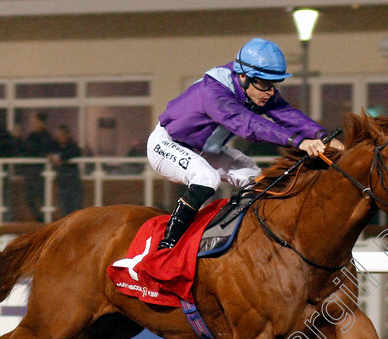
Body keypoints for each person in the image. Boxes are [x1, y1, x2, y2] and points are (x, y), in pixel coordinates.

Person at [147, 37, 344, 250]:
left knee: (257, 180)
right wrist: (299, 141)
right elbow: (249, 125)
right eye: (265, 85)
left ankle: (238, 234)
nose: (270, 92)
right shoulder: (214, 92)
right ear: (243, 77)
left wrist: (324, 137)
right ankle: (169, 242)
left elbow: (287, 114)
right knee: (207, 178)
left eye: (274, 85)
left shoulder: (252, 85)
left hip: (205, 151)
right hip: (166, 144)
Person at [22, 112, 56, 221]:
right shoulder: (31, 137)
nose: (33, 124)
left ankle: (44, 219)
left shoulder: (48, 137)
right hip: (31, 171)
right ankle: (39, 218)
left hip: (41, 172)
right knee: (30, 198)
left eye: (35, 122)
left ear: (42, 122)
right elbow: (27, 151)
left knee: (43, 197)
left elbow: (47, 150)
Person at [48, 125, 83, 217]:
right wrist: (51, 156)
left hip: (73, 183)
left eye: (62, 134)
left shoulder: (73, 147)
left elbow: (76, 152)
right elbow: (47, 151)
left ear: (67, 135)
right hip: (62, 183)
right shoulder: (55, 146)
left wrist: (61, 158)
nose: (60, 137)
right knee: (64, 210)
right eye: (59, 135)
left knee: (76, 210)